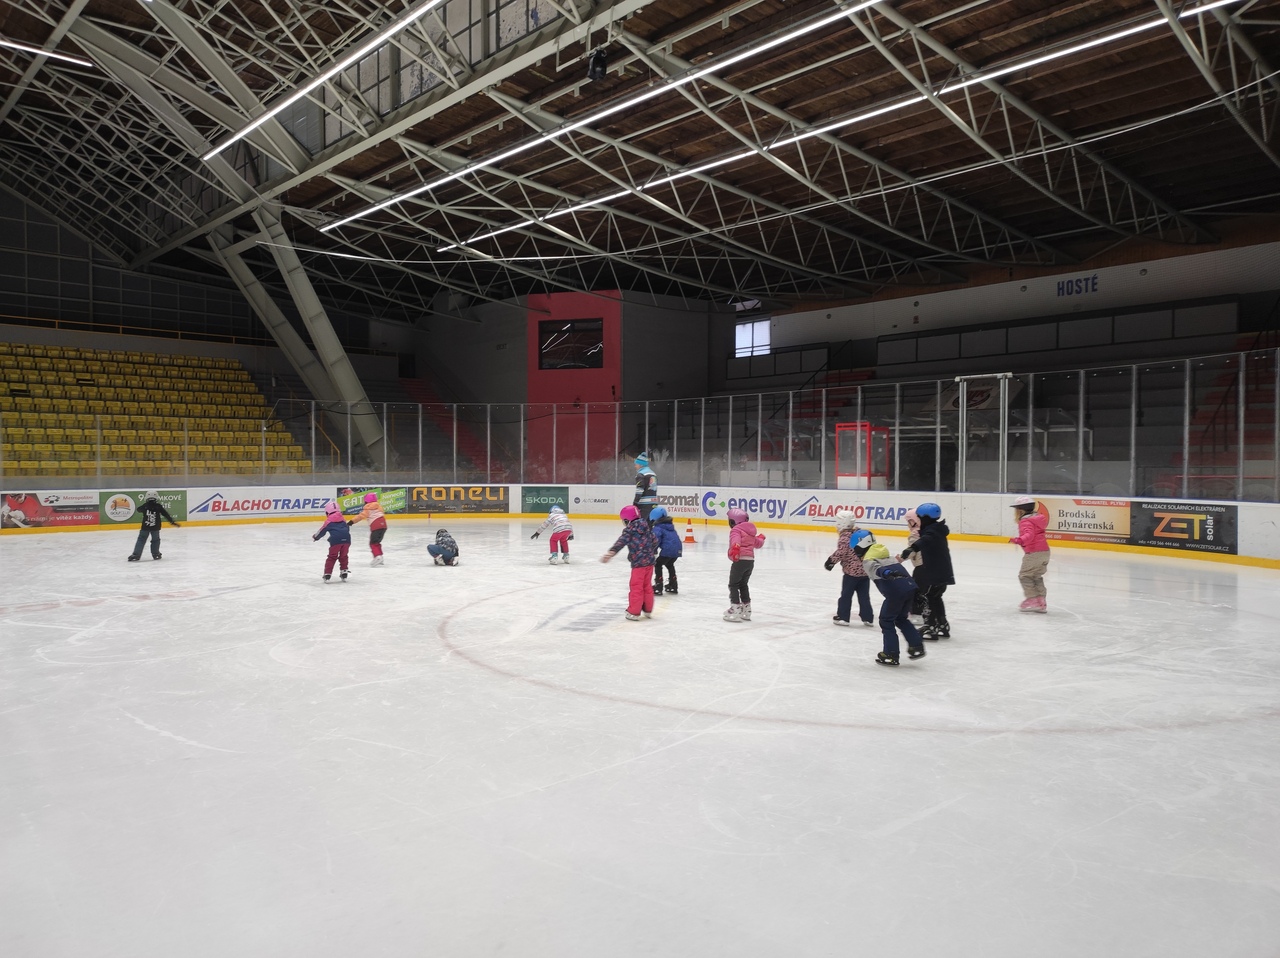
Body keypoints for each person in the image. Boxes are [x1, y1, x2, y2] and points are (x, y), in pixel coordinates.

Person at [856, 532, 926, 667]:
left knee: (886, 620)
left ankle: (891, 653)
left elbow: (877, 569)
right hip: (909, 589)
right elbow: (903, 573)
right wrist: (916, 591)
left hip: (895, 594)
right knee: (901, 619)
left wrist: (887, 573)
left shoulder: (868, 561)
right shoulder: (889, 557)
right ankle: (916, 645)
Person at [897, 502, 954, 640]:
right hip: (942, 571)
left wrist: (912, 548)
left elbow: (925, 540)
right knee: (936, 597)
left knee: (927, 597)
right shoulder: (938, 530)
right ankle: (942, 624)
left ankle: (930, 626)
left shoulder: (931, 532)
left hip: (931, 572)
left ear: (925, 518)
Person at [601, 505, 659, 620]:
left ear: (627, 520)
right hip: (650, 563)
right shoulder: (646, 527)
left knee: (636, 587)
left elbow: (621, 542)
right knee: (647, 586)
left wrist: (612, 552)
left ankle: (634, 612)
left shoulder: (630, 530)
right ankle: (648, 610)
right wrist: (648, 551)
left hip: (638, 564)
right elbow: (655, 541)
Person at [825, 510, 873, 627]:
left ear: (841, 523)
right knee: (864, 597)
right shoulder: (861, 534)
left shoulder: (844, 538)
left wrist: (830, 561)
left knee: (846, 596)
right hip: (865, 572)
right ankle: (868, 618)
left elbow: (841, 552)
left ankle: (843, 617)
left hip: (851, 574)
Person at [723, 506, 765, 622]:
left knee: (733, 585)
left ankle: (735, 608)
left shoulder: (736, 530)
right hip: (750, 562)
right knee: (743, 584)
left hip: (740, 560)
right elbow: (758, 543)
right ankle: (747, 609)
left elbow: (735, 540)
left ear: (733, 521)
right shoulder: (750, 532)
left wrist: (736, 548)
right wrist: (761, 538)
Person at [1009, 495, 1050, 612]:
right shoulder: (1038, 519)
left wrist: (1019, 540)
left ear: (1020, 510)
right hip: (1044, 552)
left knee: (1025, 576)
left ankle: (1032, 599)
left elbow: (1029, 535)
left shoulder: (1025, 521)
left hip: (1033, 553)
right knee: (1036, 576)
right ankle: (1041, 600)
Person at [127, 490, 180, 561]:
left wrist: (146, 507)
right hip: (155, 527)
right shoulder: (158, 506)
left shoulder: (145, 506)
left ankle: (136, 555)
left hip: (145, 527)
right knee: (155, 540)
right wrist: (172, 522)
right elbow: (166, 514)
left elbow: (138, 509)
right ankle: (156, 554)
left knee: (141, 540)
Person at [311, 501, 351, 581]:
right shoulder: (343, 519)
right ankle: (344, 572)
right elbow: (347, 529)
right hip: (347, 540)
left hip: (335, 541)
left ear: (327, 512)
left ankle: (327, 574)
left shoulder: (328, 521)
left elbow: (322, 531)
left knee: (332, 557)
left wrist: (316, 537)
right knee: (344, 556)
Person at [649, 505, 683, 595]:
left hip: (668, 550)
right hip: (678, 549)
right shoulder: (670, 526)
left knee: (658, 564)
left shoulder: (658, 528)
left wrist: (652, 551)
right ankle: (673, 584)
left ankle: (658, 585)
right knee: (669, 564)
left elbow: (656, 540)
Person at [348, 492, 388, 566]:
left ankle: (377, 556)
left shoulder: (368, 508)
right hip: (383, 525)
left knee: (373, 543)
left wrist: (351, 522)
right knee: (377, 542)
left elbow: (360, 516)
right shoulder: (379, 507)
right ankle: (380, 557)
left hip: (376, 526)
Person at [903, 507, 929, 625]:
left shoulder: (915, 534)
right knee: (928, 591)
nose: (908, 524)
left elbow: (912, 550)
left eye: (909, 521)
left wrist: (901, 558)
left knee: (917, 591)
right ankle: (928, 613)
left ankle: (917, 614)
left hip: (921, 566)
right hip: (931, 565)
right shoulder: (928, 531)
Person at [633, 451, 658, 522]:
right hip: (654, 503)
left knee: (641, 525)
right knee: (650, 525)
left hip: (644, 504)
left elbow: (639, 490)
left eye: (636, 464)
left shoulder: (641, 474)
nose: (635, 466)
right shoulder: (653, 474)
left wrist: (635, 503)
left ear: (641, 465)